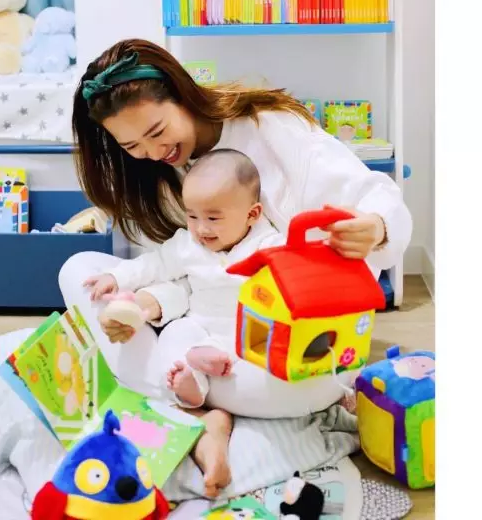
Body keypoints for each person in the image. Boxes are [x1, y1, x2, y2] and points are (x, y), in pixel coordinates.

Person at [59, 38, 413, 496]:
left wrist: (376, 227)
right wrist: (141, 306)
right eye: (131, 145)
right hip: (201, 333)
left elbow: (372, 196)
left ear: (182, 93)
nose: (152, 150)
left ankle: (191, 409)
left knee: (290, 382)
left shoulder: (270, 129)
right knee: (79, 270)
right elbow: (176, 271)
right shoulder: (154, 174)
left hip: (288, 355)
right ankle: (201, 404)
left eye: (157, 130)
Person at [88, 149, 285, 409]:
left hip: (245, 327)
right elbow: (155, 264)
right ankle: (188, 382)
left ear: (252, 215)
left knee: (261, 344)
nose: (201, 228)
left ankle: (212, 359)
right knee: (175, 333)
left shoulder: (271, 246)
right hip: (199, 322)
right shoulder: (187, 244)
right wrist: (117, 276)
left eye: (213, 218)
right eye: (192, 216)